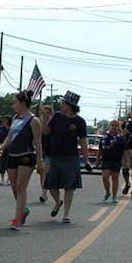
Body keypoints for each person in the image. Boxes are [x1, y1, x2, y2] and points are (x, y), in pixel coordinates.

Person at [0, 90, 43, 230]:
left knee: (21, 188)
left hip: (26, 155)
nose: (13, 105)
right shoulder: (16, 118)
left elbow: (38, 142)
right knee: (15, 188)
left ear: (22, 103)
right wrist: (1, 148)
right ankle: (23, 210)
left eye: (15, 102)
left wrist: (40, 161)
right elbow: (9, 138)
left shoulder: (34, 120)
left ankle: (16, 220)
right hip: (12, 155)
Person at [43, 91, 90, 224]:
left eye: (63, 103)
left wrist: (86, 160)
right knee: (51, 185)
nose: (61, 104)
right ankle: (58, 202)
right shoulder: (57, 116)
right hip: (55, 156)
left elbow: (83, 141)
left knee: (69, 187)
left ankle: (66, 214)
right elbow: (45, 131)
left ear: (69, 105)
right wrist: (45, 118)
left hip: (71, 157)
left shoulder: (79, 121)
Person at [96, 120, 126, 203]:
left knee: (115, 178)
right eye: (112, 125)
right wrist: (97, 160)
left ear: (118, 127)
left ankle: (114, 196)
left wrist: (124, 161)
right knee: (105, 177)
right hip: (106, 160)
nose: (114, 127)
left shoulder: (121, 138)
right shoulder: (105, 137)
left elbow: (124, 151)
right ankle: (107, 192)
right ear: (110, 126)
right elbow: (100, 150)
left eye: (116, 126)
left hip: (116, 160)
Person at [38, 106, 54, 203]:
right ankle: (43, 191)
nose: (46, 115)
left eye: (48, 113)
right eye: (44, 113)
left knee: (46, 172)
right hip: (41, 151)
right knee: (42, 172)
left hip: (51, 151)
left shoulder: (53, 124)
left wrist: (46, 119)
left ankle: (44, 193)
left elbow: (46, 131)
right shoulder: (38, 123)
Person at [0, 116, 11, 186]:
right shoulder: (0, 129)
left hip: (10, 149)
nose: (3, 122)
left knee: (9, 164)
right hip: (2, 148)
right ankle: (2, 179)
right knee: (1, 164)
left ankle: (9, 179)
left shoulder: (11, 129)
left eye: (5, 120)